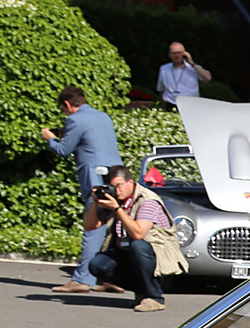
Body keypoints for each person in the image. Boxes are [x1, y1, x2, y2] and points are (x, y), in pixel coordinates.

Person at [42, 86, 123, 295]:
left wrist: (50, 138)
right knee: (112, 230)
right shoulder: (103, 116)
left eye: (63, 109)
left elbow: (63, 150)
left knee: (93, 227)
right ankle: (110, 277)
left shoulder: (74, 120)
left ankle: (81, 280)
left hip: (94, 179)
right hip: (116, 177)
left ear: (67, 105)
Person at [81, 164, 172, 312]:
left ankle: (156, 298)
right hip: (126, 251)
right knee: (97, 264)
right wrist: (94, 202)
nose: (117, 190)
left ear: (130, 182)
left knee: (138, 245)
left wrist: (117, 209)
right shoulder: (116, 198)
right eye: (112, 186)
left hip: (157, 253)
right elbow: (90, 226)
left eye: (119, 185)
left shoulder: (147, 200)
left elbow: (138, 233)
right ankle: (143, 292)